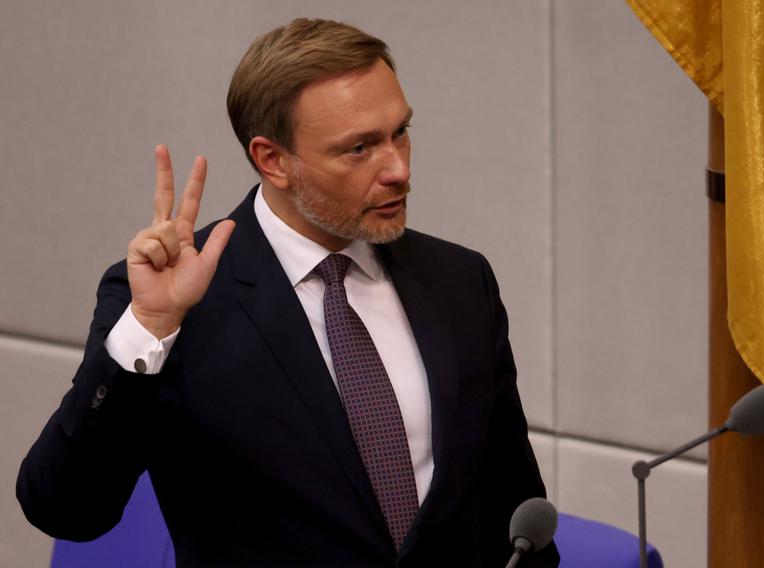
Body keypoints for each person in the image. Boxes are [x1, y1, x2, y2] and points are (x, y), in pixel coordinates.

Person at [17, 18, 557, 567]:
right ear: (272, 159)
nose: (398, 168)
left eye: (400, 132)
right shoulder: (177, 305)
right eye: (358, 148)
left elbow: (515, 511)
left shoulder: (460, 281)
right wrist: (151, 328)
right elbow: (65, 508)